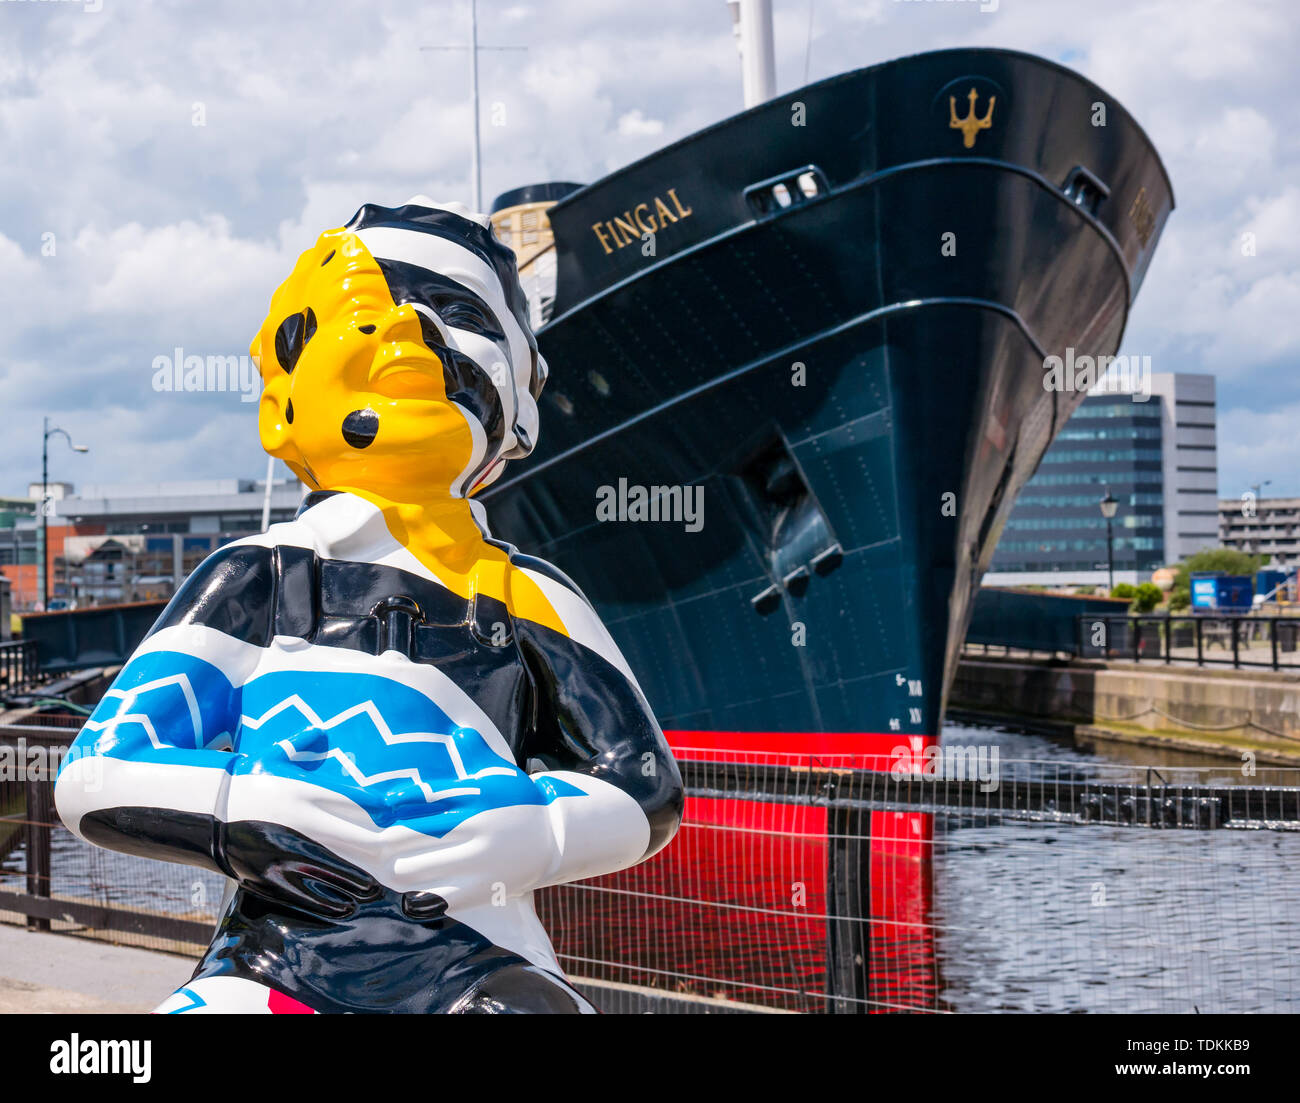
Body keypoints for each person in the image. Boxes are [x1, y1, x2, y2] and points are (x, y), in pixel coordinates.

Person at [55, 198, 682, 1014]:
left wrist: (528, 830)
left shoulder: (530, 596)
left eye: (456, 313)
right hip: (276, 953)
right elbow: (96, 772)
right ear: (281, 399)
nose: (406, 329)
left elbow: (641, 783)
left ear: (522, 398)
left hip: (475, 951)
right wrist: (252, 813)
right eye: (364, 309)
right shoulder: (258, 579)